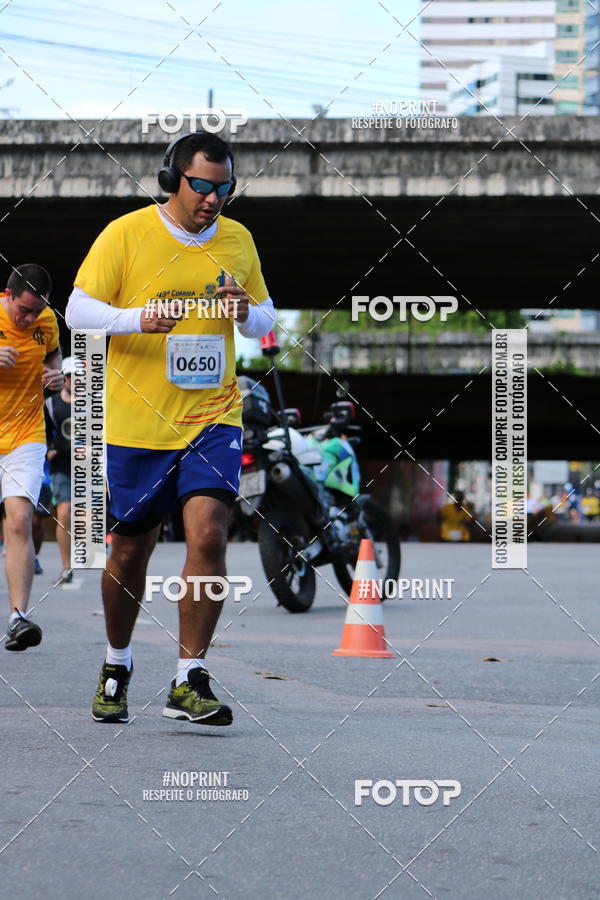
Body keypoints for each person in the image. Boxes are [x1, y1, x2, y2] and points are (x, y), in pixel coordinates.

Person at [66, 131, 276, 725]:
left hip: (213, 415)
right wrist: (137, 319)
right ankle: (117, 662)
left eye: (224, 188)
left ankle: (189, 677)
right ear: (171, 180)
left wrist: (245, 311)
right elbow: (78, 310)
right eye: (201, 185)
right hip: (137, 422)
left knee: (209, 534)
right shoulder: (126, 233)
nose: (213, 198)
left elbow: (265, 318)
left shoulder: (238, 239)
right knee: (132, 549)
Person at [0, 264, 62, 651]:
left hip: (27, 434)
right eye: (24, 310)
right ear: (7, 296)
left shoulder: (47, 321)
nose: (29, 319)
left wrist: (56, 376)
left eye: (36, 311)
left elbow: (54, 359)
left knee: (21, 519)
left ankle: (18, 617)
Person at [45, 355, 76, 582]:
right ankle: (67, 567)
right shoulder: (50, 404)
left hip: (89, 466)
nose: (74, 380)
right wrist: (48, 450)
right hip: (61, 465)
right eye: (70, 376)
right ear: (63, 378)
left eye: (79, 376)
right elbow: (43, 431)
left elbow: (105, 431)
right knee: (64, 513)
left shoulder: (95, 403)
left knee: (87, 515)